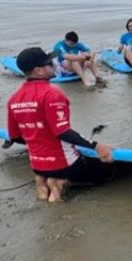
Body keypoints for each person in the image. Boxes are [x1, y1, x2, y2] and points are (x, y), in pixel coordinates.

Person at [7, 47, 114, 202]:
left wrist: (39, 140)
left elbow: (15, 136)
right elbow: (62, 132)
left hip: (37, 164)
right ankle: (59, 182)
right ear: (39, 71)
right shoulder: (52, 94)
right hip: (64, 164)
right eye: (50, 63)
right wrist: (97, 146)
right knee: (106, 171)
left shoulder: (14, 98)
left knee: (50, 167)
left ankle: (42, 180)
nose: (55, 65)